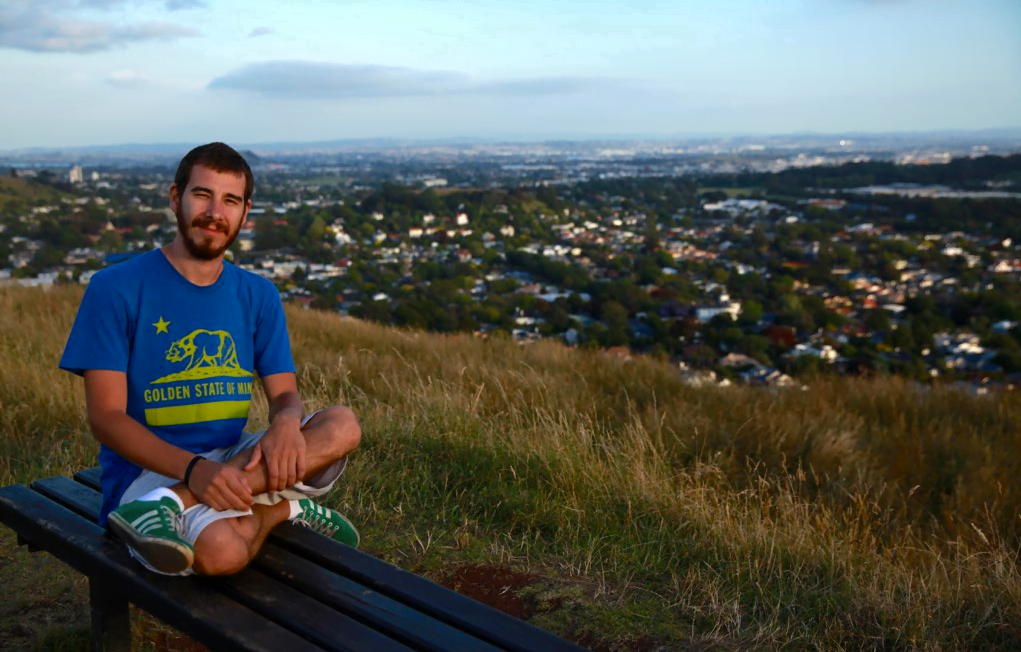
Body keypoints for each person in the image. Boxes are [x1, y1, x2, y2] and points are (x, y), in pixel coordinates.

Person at [59, 142, 361, 576]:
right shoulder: (115, 288)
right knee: (224, 554)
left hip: (232, 458)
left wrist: (285, 423)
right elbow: (106, 418)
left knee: (342, 424)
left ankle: (182, 504)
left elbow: (285, 394)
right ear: (175, 197)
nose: (215, 211)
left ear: (244, 211)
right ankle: (277, 510)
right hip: (147, 475)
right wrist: (195, 470)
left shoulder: (258, 294)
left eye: (230, 200)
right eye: (203, 194)